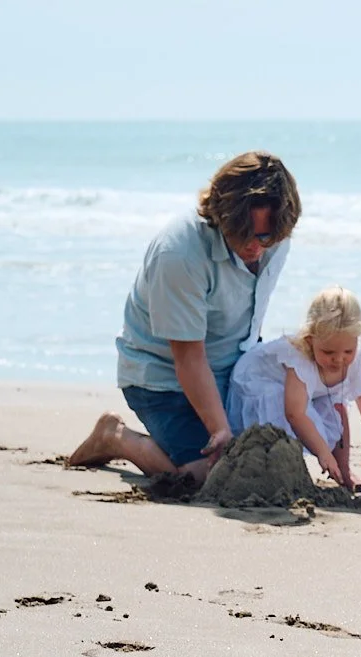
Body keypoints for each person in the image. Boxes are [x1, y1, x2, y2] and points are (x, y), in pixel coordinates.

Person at [67, 151, 300, 482]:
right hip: (162, 378)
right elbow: (189, 357)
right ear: (223, 216)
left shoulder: (275, 234)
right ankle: (114, 436)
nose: (256, 247)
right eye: (244, 234)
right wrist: (219, 428)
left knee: (271, 457)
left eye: (267, 237)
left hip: (232, 368)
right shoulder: (179, 254)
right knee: (206, 476)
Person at [223, 286, 361, 489]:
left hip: (307, 392)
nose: (339, 360)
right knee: (281, 407)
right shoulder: (300, 359)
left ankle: (344, 471)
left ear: (358, 340)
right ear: (310, 340)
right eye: (328, 352)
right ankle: (280, 469)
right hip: (261, 380)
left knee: (336, 408)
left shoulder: (352, 361)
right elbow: (295, 414)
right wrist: (323, 453)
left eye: (348, 351)